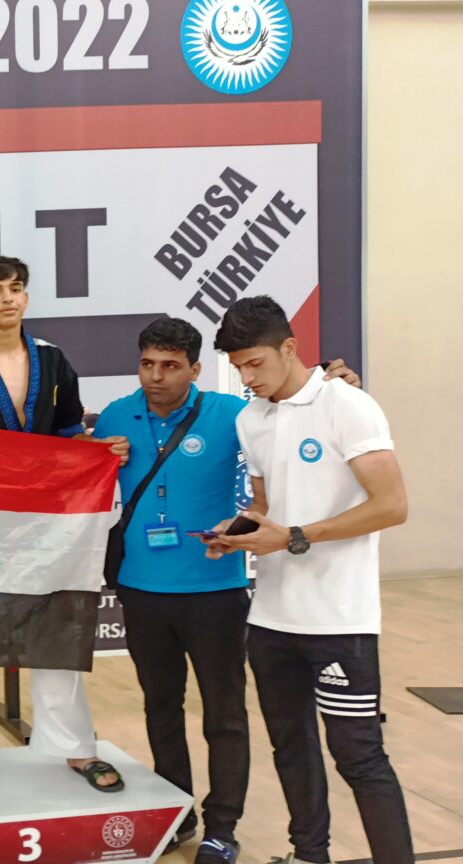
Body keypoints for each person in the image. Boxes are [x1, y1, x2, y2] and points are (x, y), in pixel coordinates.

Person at [93, 316, 360, 864]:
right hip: (141, 591)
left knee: (225, 714)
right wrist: (96, 454)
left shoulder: (234, 413)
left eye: (170, 366)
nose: (156, 377)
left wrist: (340, 390)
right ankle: (177, 813)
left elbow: (297, 417)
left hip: (216, 591)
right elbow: (73, 471)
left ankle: (222, 827)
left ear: (195, 370)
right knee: (160, 707)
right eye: (147, 364)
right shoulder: (116, 416)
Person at [206, 296, 411, 864]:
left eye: (255, 363)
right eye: (238, 367)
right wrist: (238, 531)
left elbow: (392, 505)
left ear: (290, 348)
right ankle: (309, 855)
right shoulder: (250, 418)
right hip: (272, 619)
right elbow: (268, 506)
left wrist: (296, 536)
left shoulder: (349, 405)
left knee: (359, 757)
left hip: (340, 620)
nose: (248, 378)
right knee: (291, 749)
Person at [0, 255, 129, 794]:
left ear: (26, 297)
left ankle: (75, 745)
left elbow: (69, 432)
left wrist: (99, 450)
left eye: (16, 288)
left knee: (57, 628)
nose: (8, 298)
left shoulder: (53, 360)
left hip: (44, 519)